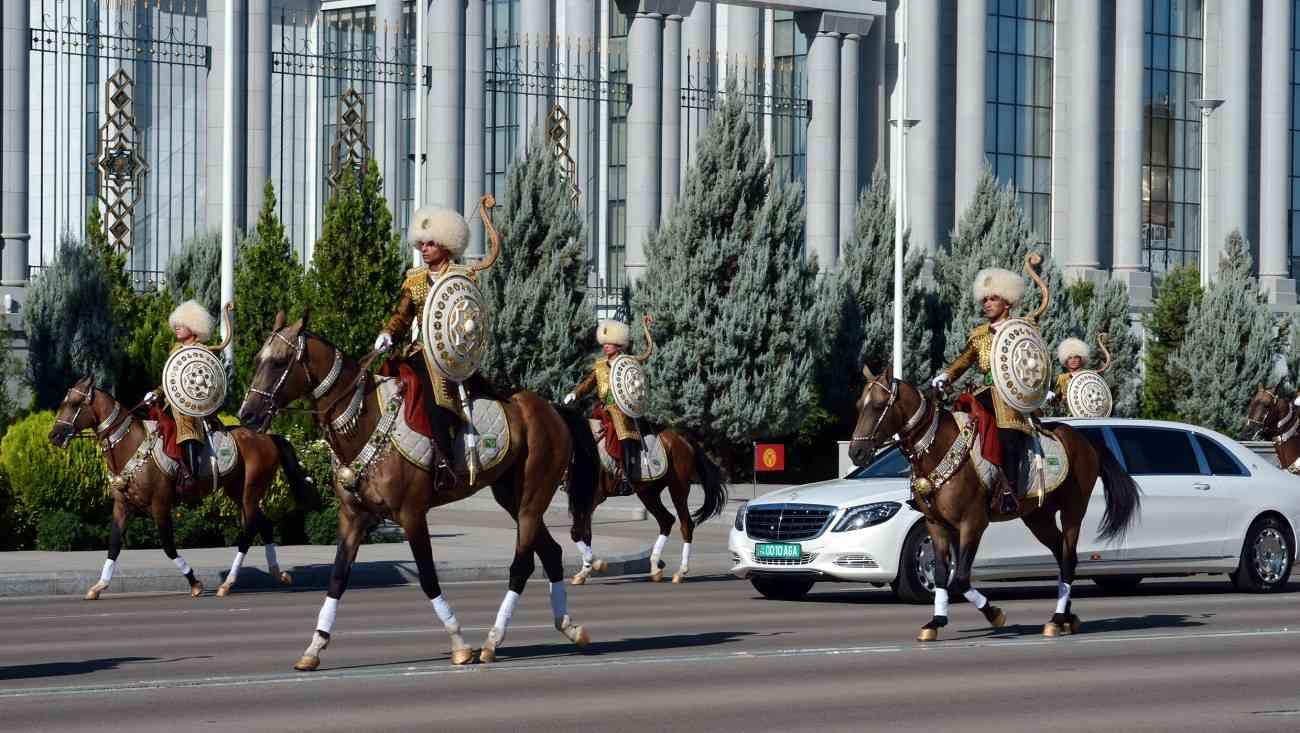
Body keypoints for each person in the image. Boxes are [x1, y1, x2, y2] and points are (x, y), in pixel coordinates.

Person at [374, 205, 494, 491]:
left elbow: (470, 318)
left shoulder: (463, 277)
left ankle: (444, 461)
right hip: (418, 351)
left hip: (450, 358)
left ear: (446, 245)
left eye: (430, 244)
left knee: (435, 395)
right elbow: (402, 316)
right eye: (422, 244)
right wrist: (388, 333)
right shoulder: (414, 280)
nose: (424, 249)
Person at [931, 267, 1038, 514]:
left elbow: (1034, 364)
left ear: (1007, 302)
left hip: (1012, 396)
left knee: (1008, 434)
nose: (987, 304)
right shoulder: (979, 335)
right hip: (985, 393)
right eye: (985, 300)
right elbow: (964, 360)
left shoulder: (1022, 329)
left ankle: (1009, 491)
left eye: (993, 299)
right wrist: (947, 375)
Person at [565, 315, 654, 495]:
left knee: (622, 433)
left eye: (610, 343)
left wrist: (647, 330)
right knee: (582, 431)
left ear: (618, 345)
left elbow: (646, 353)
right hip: (602, 409)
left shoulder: (627, 362)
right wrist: (575, 393)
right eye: (604, 343)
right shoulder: (599, 365)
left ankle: (626, 476)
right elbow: (588, 383)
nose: (605, 346)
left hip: (623, 410)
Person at [145, 300, 218, 494]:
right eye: (176, 324)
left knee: (186, 424)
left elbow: (207, 381)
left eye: (182, 324)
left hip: (194, 406)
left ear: (194, 326)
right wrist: (156, 393)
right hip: (171, 403)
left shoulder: (202, 351)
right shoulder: (175, 350)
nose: (176, 327)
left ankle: (191, 476)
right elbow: (169, 381)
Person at [1048, 338, 1091, 414]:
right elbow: (1056, 400)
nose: (1073, 360)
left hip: (1086, 415)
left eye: (1076, 357)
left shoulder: (1088, 376)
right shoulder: (1062, 378)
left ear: (1081, 359)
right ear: (1066, 360)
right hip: (1066, 416)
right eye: (1070, 358)